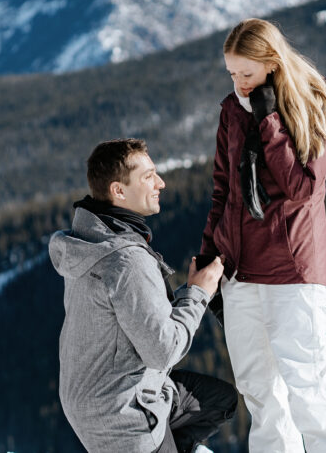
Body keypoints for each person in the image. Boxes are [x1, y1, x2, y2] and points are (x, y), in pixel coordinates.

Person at [200, 18, 326, 452]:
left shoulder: (315, 103)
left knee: (310, 386)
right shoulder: (231, 110)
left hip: (292, 270)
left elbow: (303, 187)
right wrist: (208, 257)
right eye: (232, 73)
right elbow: (224, 190)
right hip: (241, 275)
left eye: (246, 74)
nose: (238, 83)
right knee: (261, 394)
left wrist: (269, 116)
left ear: (272, 64)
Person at [50, 138, 237, 453]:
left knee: (219, 400)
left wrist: (191, 292)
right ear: (118, 191)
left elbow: (134, 312)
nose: (161, 183)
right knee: (217, 402)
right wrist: (199, 294)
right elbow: (162, 352)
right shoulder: (126, 261)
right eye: (148, 176)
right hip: (124, 418)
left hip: (94, 399)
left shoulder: (89, 241)